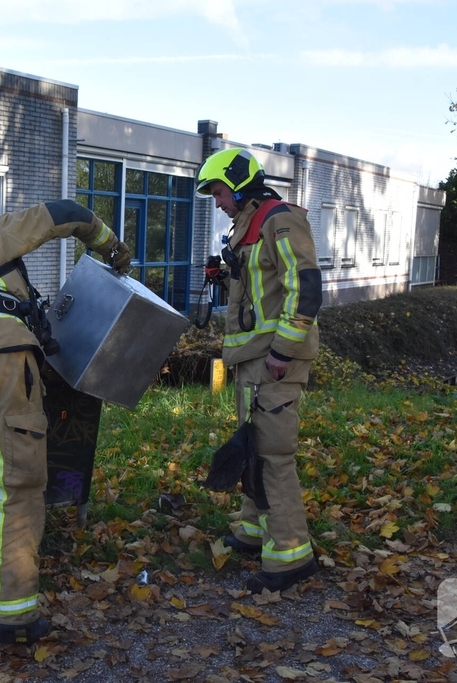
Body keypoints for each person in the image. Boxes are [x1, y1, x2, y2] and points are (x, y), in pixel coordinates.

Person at [0, 201, 131, 644]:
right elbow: (67, 212)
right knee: (16, 488)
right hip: (4, 365)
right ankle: (13, 616)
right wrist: (110, 245)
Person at [195, 147, 323, 594]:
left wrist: (284, 352)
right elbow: (259, 285)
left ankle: (290, 555)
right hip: (253, 359)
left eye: (217, 192)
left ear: (238, 183)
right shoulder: (248, 226)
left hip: (274, 362)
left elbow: (304, 291)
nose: (216, 201)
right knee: (254, 445)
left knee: (273, 455)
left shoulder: (280, 220)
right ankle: (254, 530)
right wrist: (225, 273)